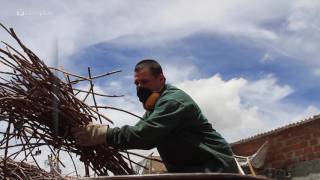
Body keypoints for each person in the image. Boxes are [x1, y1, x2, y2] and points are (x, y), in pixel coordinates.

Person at [72, 59, 238, 173]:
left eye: (144, 82)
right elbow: (138, 130)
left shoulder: (172, 101)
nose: (139, 87)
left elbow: (145, 135)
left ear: (161, 79)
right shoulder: (154, 107)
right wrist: (105, 140)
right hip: (192, 169)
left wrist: (104, 135)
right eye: (136, 83)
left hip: (215, 167)